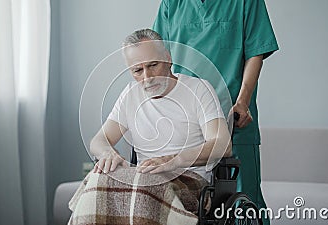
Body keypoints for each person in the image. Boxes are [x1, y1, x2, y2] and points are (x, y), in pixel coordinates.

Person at [68, 29, 232, 225]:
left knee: (145, 184)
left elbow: (223, 144)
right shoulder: (130, 94)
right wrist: (107, 153)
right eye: (138, 70)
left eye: (153, 65)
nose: (147, 77)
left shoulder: (198, 89)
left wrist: (173, 160)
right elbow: (98, 141)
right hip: (145, 177)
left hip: (189, 179)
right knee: (99, 177)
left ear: (168, 58)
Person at [153, 0, 279, 224]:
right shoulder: (172, 4)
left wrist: (243, 101)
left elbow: (255, 53)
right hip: (186, 124)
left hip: (233, 119)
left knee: (244, 207)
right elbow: (158, 57)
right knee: (186, 207)